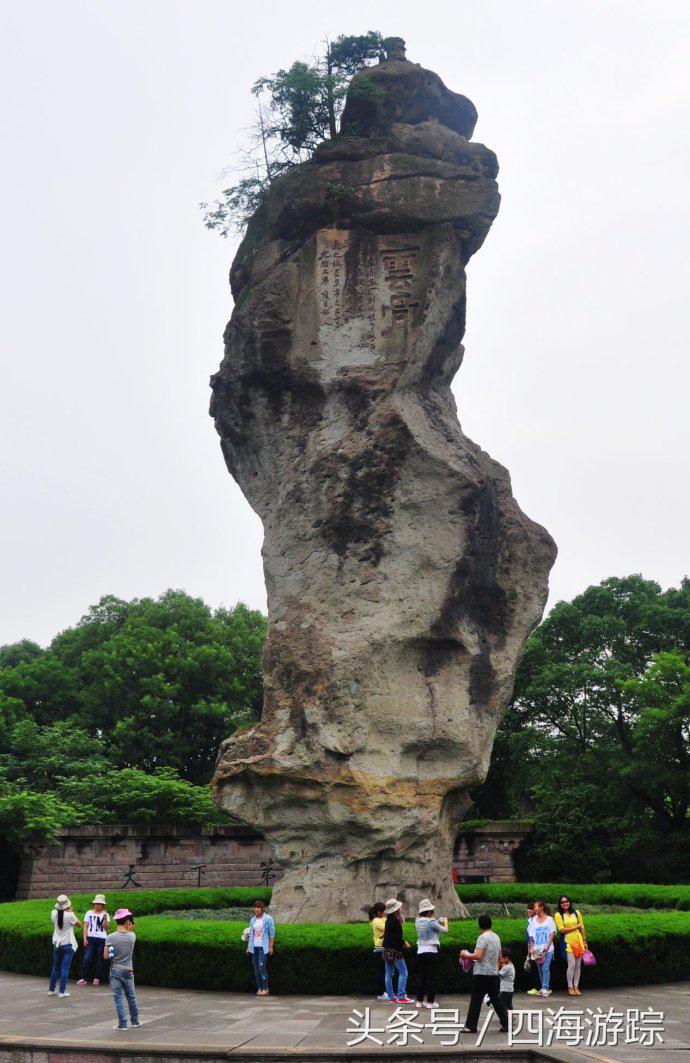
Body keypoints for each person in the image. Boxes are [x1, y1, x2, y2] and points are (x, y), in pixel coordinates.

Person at [460, 915, 509, 1034]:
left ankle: (471, 1026)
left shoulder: (482, 938)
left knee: (476, 999)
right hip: (493, 973)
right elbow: (500, 957)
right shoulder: (496, 937)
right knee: (495, 1000)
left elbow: (478, 956)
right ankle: (507, 1024)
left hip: (481, 973)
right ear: (490, 924)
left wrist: (465, 954)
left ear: (480, 925)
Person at [104, 907, 141, 1030]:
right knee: (131, 996)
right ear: (126, 921)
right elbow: (129, 934)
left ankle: (123, 1023)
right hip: (129, 970)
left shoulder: (110, 937)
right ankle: (135, 1021)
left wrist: (112, 952)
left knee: (118, 996)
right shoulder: (132, 936)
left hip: (115, 969)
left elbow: (105, 956)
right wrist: (129, 929)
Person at [414, 899, 448, 1008]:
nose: (433, 912)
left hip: (420, 952)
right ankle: (430, 1002)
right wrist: (445, 921)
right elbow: (445, 930)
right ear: (428, 912)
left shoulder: (417, 920)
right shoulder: (432, 922)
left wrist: (436, 921)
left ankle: (419, 1001)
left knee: (421, 977)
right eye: (432, 911)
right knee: (431, 978)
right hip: (431, 952)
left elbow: (428, 926)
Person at [554, 894, 587, 996]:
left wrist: (585, 941)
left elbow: (582, 927)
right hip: (568, 942)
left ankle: (576, 986)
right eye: (563, 902)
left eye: (567, 901)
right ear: (560, 904)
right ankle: (570, 986)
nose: (565, 903)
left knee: (578, 966)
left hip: (578, 941)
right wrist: (575, 926)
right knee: (571, 965)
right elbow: (562, 930)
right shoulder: (558, 915)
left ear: (570, 902)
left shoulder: (577, 913)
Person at [48, 894, 80, 997]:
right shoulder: (70, 915)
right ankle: (62, 992)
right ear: (68, 905)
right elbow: (79, 925)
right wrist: (71, 912)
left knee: (56, 968)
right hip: (67, 945)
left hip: (57, 944)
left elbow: (57, 918)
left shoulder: (53, 913)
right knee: (64, 969)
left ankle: (51, 990)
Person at [382, 898, 413, 1004]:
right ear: (396, 909)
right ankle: (401, 996)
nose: (400, 909)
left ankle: (391, 997)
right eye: (399, 908)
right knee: (404, 972)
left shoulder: (388, 920)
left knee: (389, 974)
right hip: (395, 951)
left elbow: (391, 936)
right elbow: (397, 937)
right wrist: (404, 943)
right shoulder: (394, 921)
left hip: (386, 950)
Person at [77, 894, 110, 986]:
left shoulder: (105, 914)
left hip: (102, 938)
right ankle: (84, 978)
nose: (97, 905)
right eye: (96, 903)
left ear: (103, 905)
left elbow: (106, 928)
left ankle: (97, 978)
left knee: (100, 959)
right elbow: (86, 926)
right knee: (87, 958)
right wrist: (84, 937)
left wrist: (105, 920)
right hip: (91, 938)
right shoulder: (89, 913)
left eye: (99, 904)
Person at [528, 900, 557, 997]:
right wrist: (532, 948)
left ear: (541, 907)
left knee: (545, 968)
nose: (534, 909)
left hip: (548, 949)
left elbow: (552, 933)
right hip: (537, 950)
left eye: (535, 906)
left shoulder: (549, 919)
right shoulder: (533, 920)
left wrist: (548, 946)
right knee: (540, 968)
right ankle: (543, 987)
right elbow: (531, 936)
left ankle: (545, 988)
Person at [246, 900, 275, 996]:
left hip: (263, 947)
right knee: (256, 968)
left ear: (262, 909)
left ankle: (266, 988)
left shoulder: (268, 919)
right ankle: (259, 988)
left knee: (262, 967)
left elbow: (272, 934)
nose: (256, 909)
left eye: (258, 907)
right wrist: (248, 948)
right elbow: (251, 934)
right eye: (255, 907)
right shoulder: (252, 920)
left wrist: (270, 947)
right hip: (254, 947)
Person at [369, 902, 388, 1001]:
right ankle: (380, 993)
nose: (385, 912)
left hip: (382, 948)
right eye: (384, 910)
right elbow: (388, 928)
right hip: (379, 948)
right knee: (381, 972)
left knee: (383, 971)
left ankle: (383, 992)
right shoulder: (376, 921)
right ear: (379, 912)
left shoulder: (381, 919)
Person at [524, 902, 540, 995]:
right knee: (534, 967)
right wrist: (528, 947)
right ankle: (535, 987)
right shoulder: (530, 920)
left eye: (531, 908)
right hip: (531, 946)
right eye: (528, 908)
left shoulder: (537, 920)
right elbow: (528, 936)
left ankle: (537, 987)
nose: (529, 910)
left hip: (537, 947)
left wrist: (531, 947)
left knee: (537, 968)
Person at [498, 947, 515, 1014]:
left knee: (502, 1003)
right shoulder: (510, 966)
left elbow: (498, 974)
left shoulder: (507, 967)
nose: (500, 959)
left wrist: (497, 964)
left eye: (501, 958)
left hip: (505, 989)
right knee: (508, 1004)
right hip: (510, 989)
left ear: (507, 958)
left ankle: (507, 1016)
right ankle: (511, 1016)